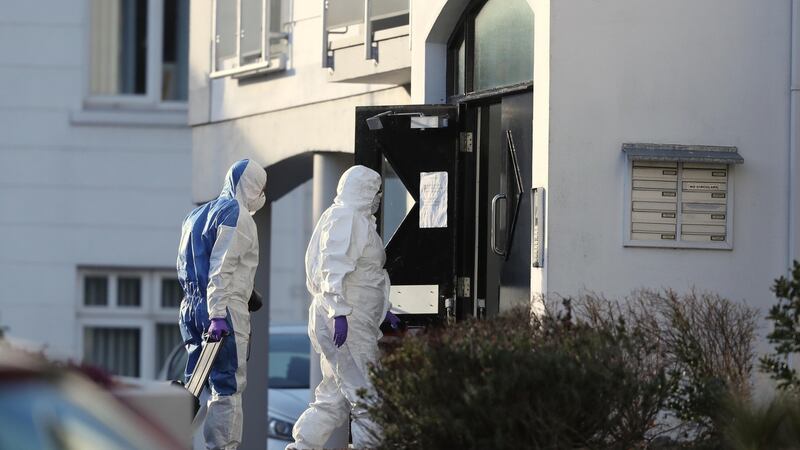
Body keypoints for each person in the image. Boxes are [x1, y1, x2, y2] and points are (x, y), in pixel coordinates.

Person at [290, 165, 402, 450]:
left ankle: (302, 447)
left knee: (334, 397)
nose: (378, 197)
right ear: (363, 190)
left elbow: (366, 274)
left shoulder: (351, 219)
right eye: (375, 191)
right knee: (367, 396)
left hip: (348, 318)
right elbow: (333, 265)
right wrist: (338, 310)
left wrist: (381, 309)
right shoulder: (347, 218)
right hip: (346, 321)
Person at [177, 159, 267, 450]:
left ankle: (164, 437)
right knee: (227, 387)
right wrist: (217, 313)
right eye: (260, 188)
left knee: (193, 387)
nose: (261, 195)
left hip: (191, 308)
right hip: (223, 311)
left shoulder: (196, 214)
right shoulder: (237, 214)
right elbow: (222, 266)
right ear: (250, 186)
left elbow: (190, 265)